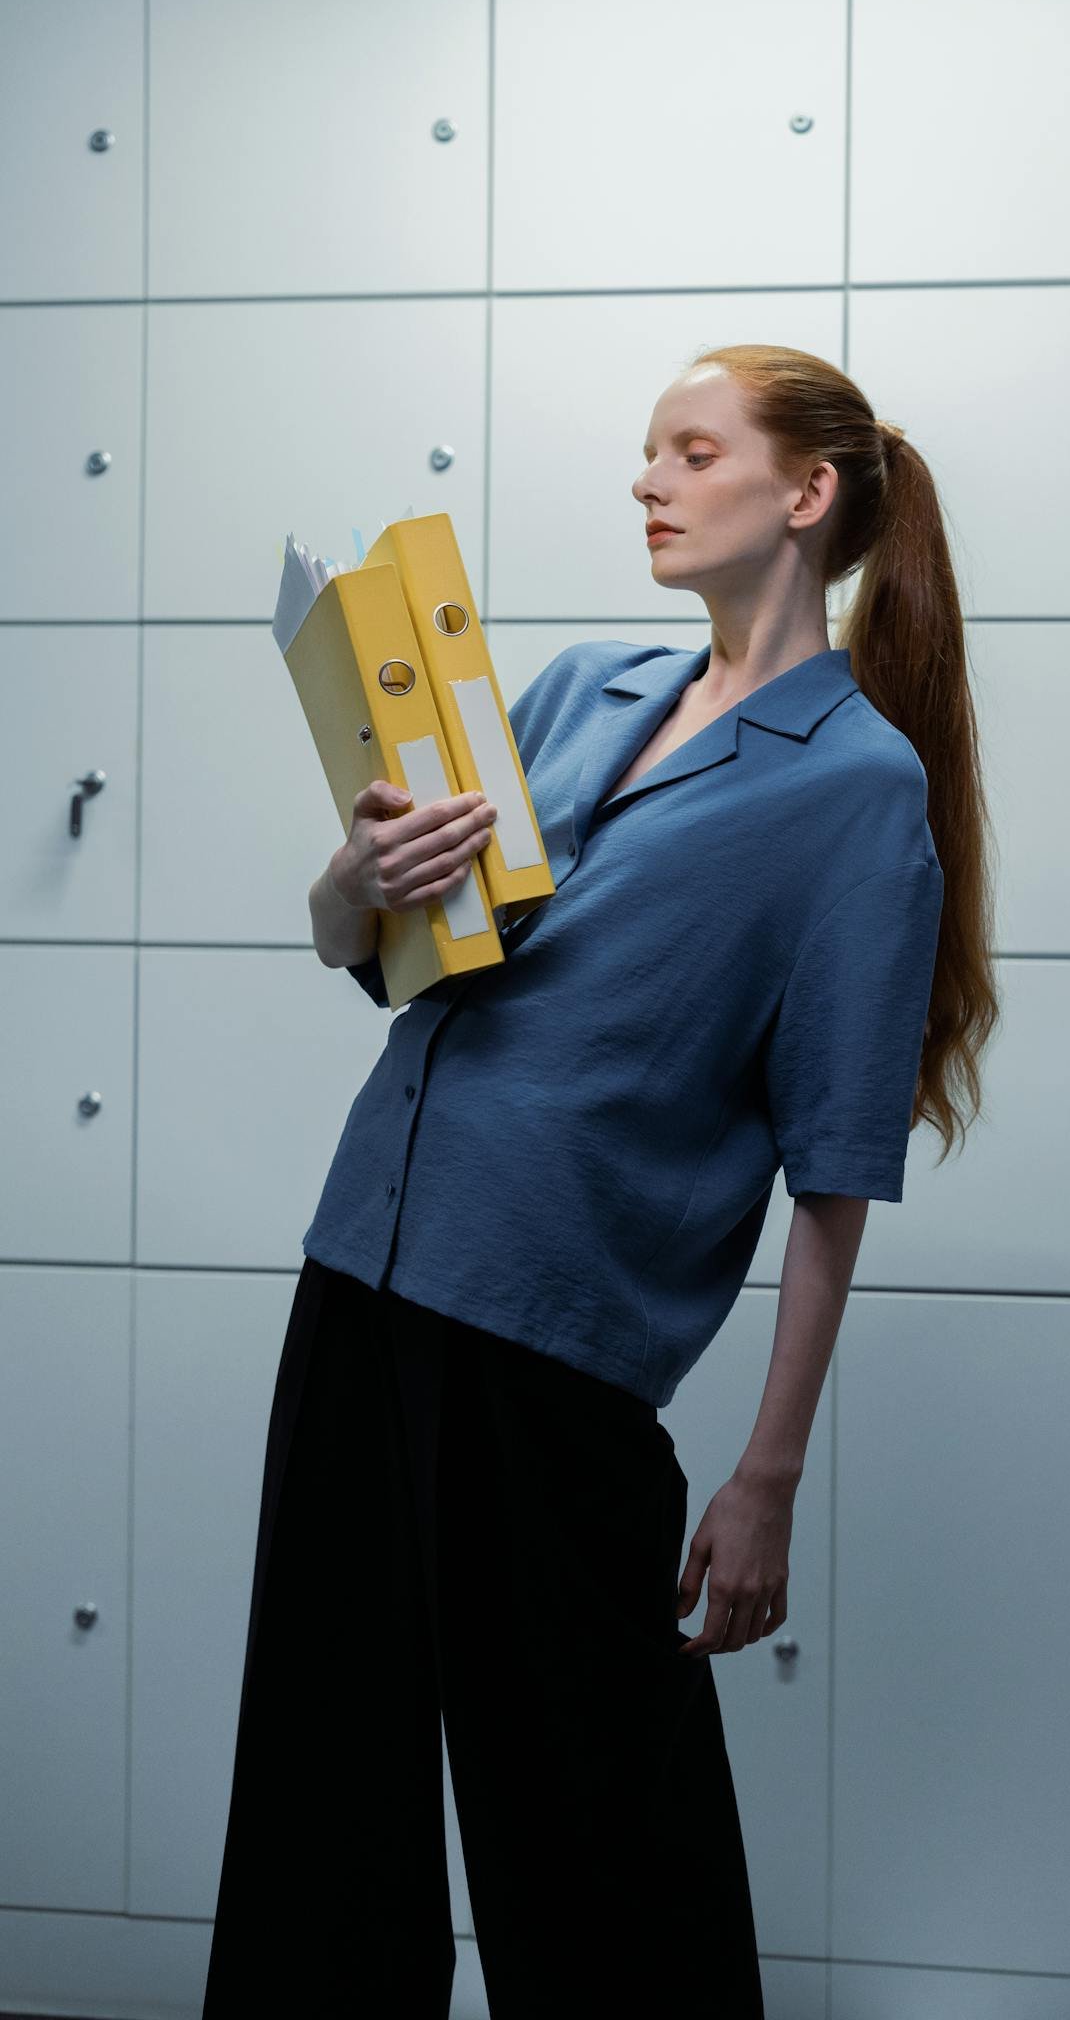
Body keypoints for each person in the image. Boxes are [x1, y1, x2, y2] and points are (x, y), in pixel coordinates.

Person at [202, 344, 999, 2017]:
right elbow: (385, 958)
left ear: (804, 495)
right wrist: (354, 880)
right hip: (359, 1279)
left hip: (552, 1349)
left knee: (598, 1843)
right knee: (316, 1792)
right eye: (646, 452)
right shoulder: (571, 689)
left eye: (688, 450)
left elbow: (835, 1166)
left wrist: (766, 1477)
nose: (646, 479)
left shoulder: (856, 793)